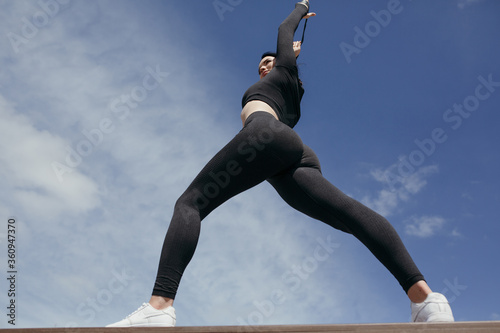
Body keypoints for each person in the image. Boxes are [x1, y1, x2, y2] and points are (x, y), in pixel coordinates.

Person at [107, 0, 454, 327]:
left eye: (270, 61)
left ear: (287, 62)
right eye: (261, 64)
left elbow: (283, 30)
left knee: (190, 203)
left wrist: (300, 9)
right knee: (347, 213)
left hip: (267, 135)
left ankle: (158, 307)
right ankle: (426, 300)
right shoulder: (293, 96)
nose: (264, 64)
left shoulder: (286, 68)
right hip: (291, 153)